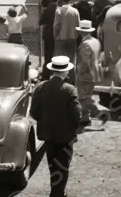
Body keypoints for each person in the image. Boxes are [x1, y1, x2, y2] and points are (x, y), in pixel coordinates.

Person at [30, 58, 83, 197]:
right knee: (62, 166)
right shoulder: (70, 89)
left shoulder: (40, 87)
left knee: (52, 164)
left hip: (47, 134)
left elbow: (33, 112)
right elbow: (77, 115)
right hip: (65, 136)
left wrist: (45, 121)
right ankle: (58, 193)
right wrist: (72, 127)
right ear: (66, 71)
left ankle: (56, 192)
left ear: (52, 70)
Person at [75, 20, 109, 129]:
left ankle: (101, 110)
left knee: (83, 98)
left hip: (85, 74)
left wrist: (79, 73)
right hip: (94, 73)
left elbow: (85, 62)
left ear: (81, 32)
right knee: (87, 96)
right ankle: (85, 119)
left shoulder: (85, 44)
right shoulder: (96, 41)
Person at [53, 0, 80, 64]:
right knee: (71, 59)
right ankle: (71, 74)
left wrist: (55, 36)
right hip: (72, 38)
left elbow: (56, 25)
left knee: (60, 60)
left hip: (61, 38)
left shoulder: (58, 10)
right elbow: (78, 24)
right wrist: (76, 35)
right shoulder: (75, 11)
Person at [39, 0, 60, 79]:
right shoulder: (59, 9)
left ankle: (45, 75)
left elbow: (41, 21)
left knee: (48, 56)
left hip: (48, 35)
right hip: (58, 35)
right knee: (58, 55)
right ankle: (57, 74)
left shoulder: (47, 9)